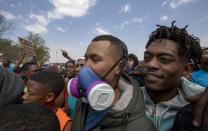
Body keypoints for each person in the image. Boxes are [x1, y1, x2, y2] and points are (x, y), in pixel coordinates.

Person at [70, 35, 156, 131]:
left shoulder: (142, 127)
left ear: (118, 67)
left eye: (95, 59)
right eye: (86, 59)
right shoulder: (82, 101)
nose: (86, 66)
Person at [141, 21, 204, 131]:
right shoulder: (126, 97)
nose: (151, 64)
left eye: (164, 59)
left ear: (186, 69)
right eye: (147, 57)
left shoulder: (201, 103)